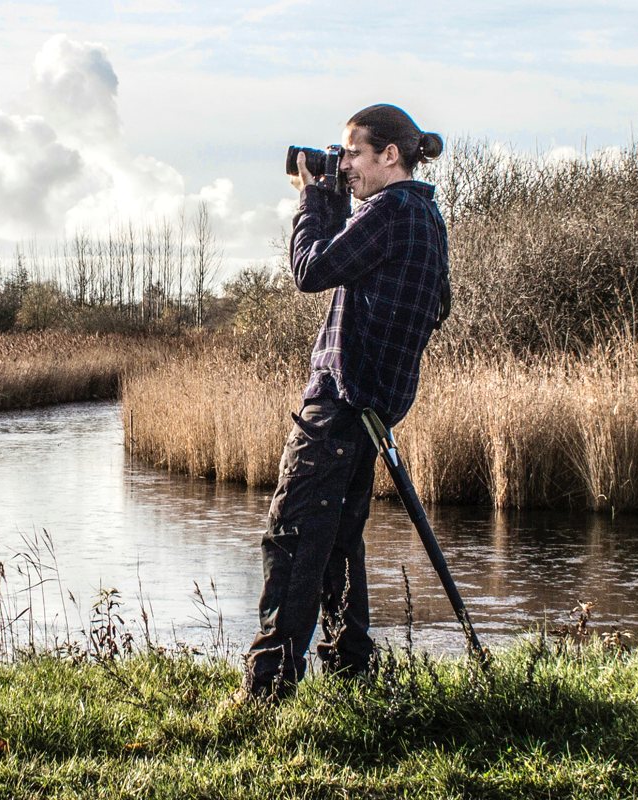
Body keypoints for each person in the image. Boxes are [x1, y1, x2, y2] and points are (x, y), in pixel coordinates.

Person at [243, 103, 450, 698]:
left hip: (339, 402)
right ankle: (351, 668)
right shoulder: (424, 217)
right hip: (370, 408)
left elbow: (310, 269)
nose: (346, 166)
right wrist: (334, 197)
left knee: (293, 536)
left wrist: (312, 199)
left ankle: (267, 686)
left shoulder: (390, 212)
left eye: (353, 154)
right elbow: (436, 302)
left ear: (390, 155)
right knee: (335, 540)